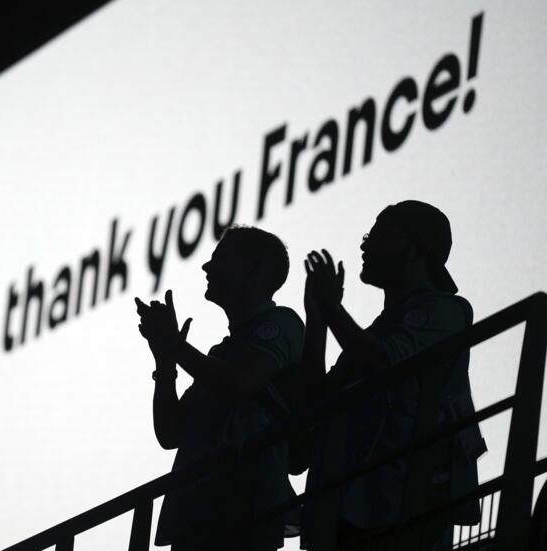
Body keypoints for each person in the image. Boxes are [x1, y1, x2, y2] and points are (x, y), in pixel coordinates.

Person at [301, 200, 486, 550]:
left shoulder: (445, 311)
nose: (365, 244)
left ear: (418, 249)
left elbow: (384, 362)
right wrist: (318, 320)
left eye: (382, 235)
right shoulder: (376, 330)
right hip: (347, 507)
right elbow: (316, 401)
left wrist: (332, 308)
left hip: (402, 504)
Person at [135, 225, 303, 551]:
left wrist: (176, 347)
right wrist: (166, 362)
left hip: (245, 507)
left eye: (220, 259)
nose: (206, 268)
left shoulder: (282, 324)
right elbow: (170, 433)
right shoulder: (218, 355)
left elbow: (241, 384)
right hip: (196, 514)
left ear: (256, 269)